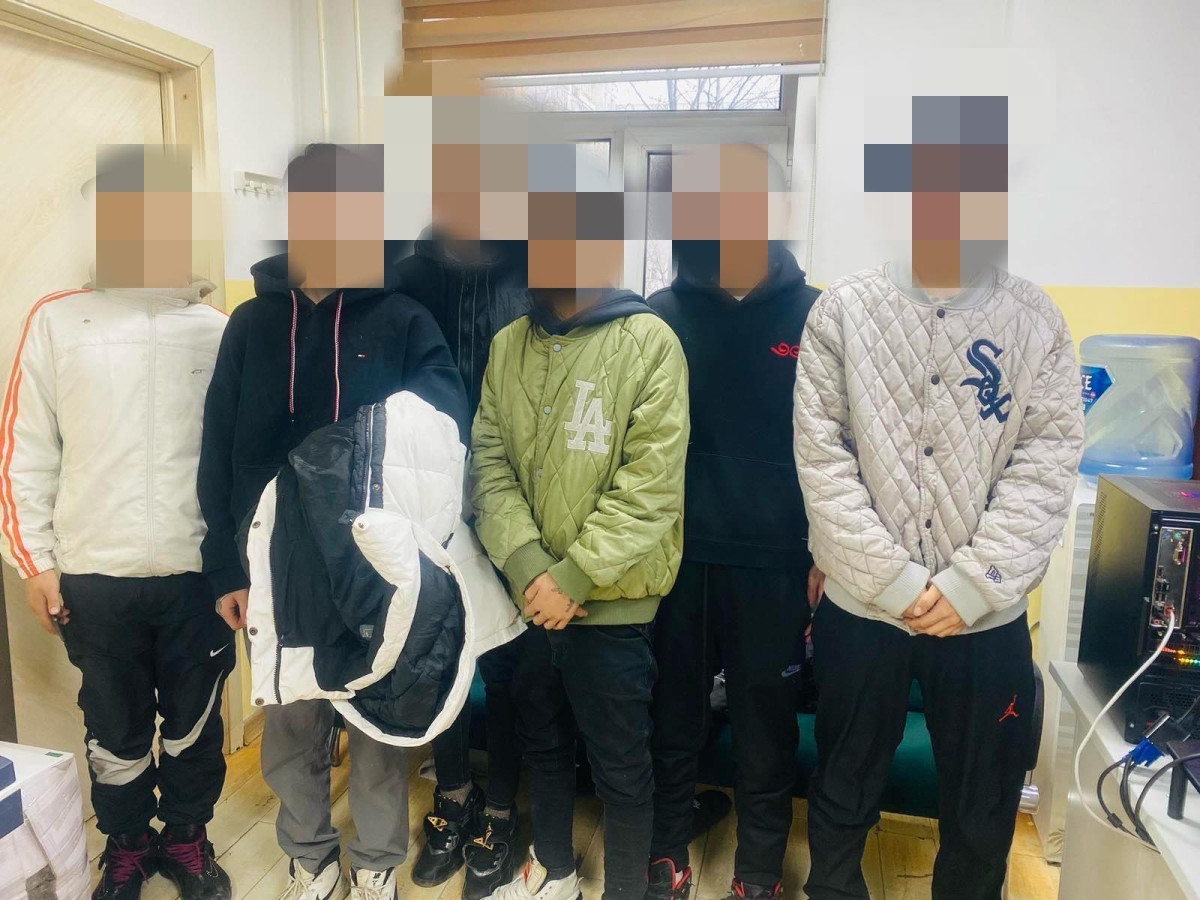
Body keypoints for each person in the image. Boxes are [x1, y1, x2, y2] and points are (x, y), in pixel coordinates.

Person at [197, 143, 468, 900]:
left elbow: (445, 437)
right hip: (272, 560)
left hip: (370, 563)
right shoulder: (252, 324)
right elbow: (217, 448)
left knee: (376, 720)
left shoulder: (405, 319)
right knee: (290, 721)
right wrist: (224, 567)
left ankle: (377, 860)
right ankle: (308, 855)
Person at [793, 258, 1085, 900]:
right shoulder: (843, 309)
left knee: (983, 804)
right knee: (842, 782)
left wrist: (972, 585)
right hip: (862, 609)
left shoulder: (1036, 320)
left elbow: (1047, 464)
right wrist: (891, 581)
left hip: (985, 620)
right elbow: (821, 457)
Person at [0, 144, 233, 900]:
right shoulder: (57, 321)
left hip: (197, 580)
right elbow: (25, 450)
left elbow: (240, 463)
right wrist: (35, 562)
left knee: (196, 725)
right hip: (93, 580)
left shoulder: (218, 329)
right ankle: (127, 843)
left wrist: (242, 570)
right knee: (114, 728)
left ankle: (188, 838)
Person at [471, 216, 690, 897]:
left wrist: (573, 577)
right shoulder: (508, 344)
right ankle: (554, 871)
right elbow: (489, 465)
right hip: (528, 601)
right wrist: (529, 568)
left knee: (622, 768)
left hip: (613, 605)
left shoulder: (650, 342)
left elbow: (651, 486)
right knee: (543, 744)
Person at [646, 189, 823, 897]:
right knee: (671, 720)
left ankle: (758, 875)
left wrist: (823, 550)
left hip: (777, 564)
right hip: (677, 559)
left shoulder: (818, 314)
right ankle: (666, 857)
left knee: (766, 731)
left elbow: (839, 445)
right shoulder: (659, 314)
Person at [391, 233, 531, 895]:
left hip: (516, 495)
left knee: (508, 663)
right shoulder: (407, 276)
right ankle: (452, 792)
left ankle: (500, 807)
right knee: (439, 652)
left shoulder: (536, 270)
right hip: (428, 494)